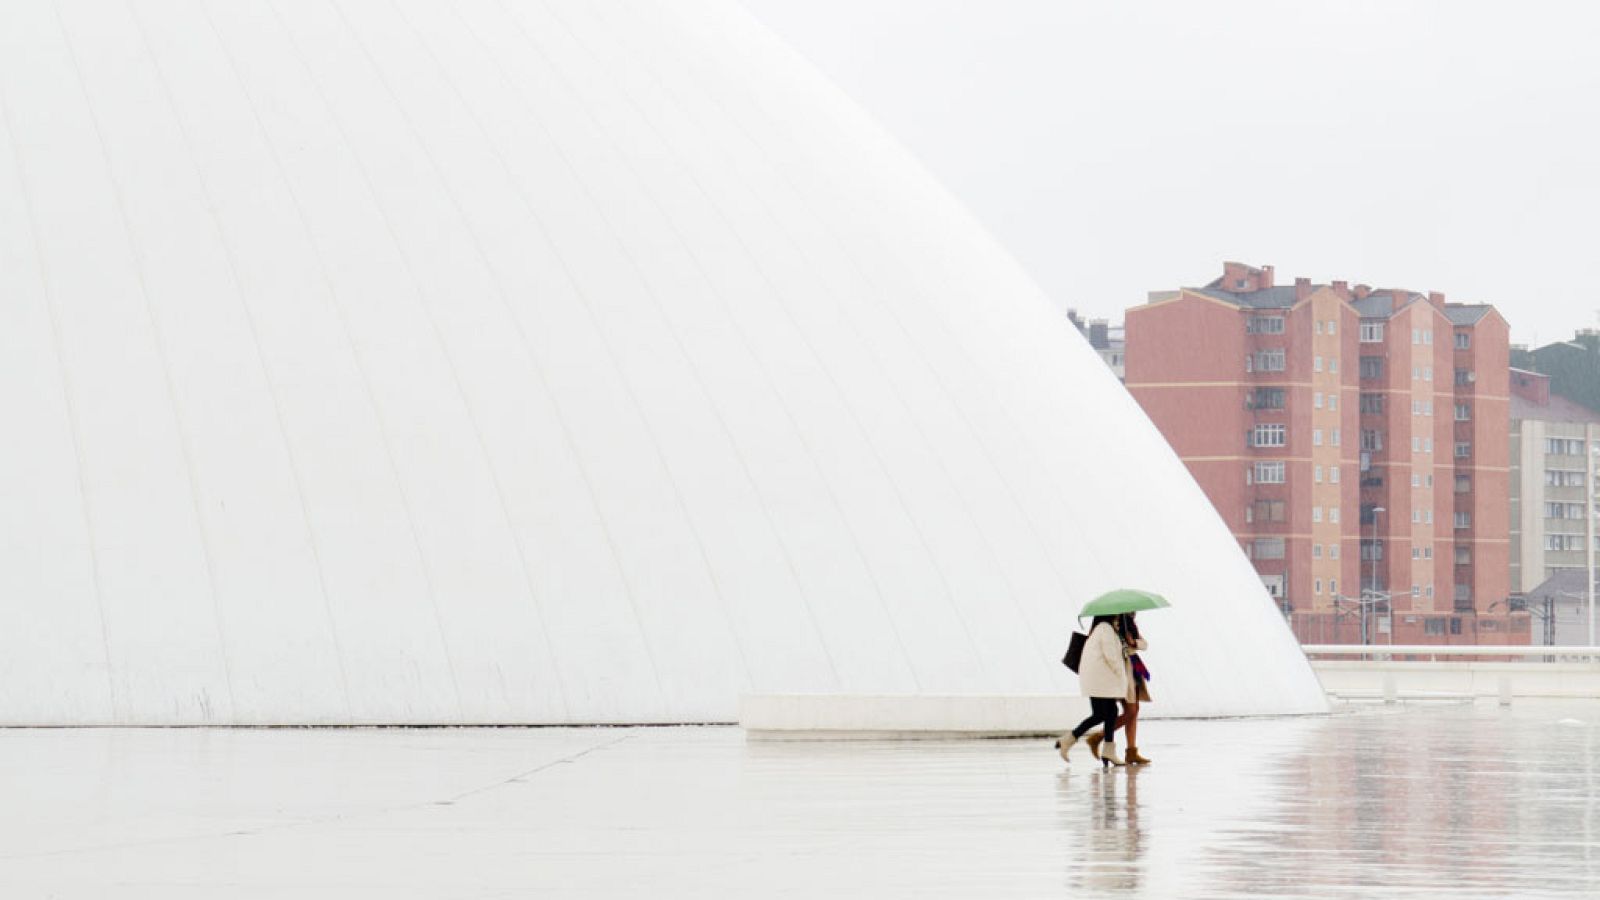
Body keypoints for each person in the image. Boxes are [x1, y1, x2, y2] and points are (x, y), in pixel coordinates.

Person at [1055, 614, 1130, 767]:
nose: (1118, 616)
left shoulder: (1100, 629)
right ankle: (1069, 740)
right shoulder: (1106, 629)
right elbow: (1111, 657)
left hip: (1096, 680)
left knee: (1108, 712)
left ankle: (1107, 750)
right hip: (1101, 680)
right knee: (1104, 713)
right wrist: (1121, 675)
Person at [1086, 613, 1153, 765]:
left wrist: (1133, 642)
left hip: (1133, 669)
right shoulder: (1108, 627)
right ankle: (1098, 737)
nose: (1133, 613)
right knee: (1131, 710)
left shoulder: (1128, 624)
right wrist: (1124, 642)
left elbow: (1144, 644)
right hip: (1120, 672)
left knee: (1134, 710)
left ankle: (1131, 751)